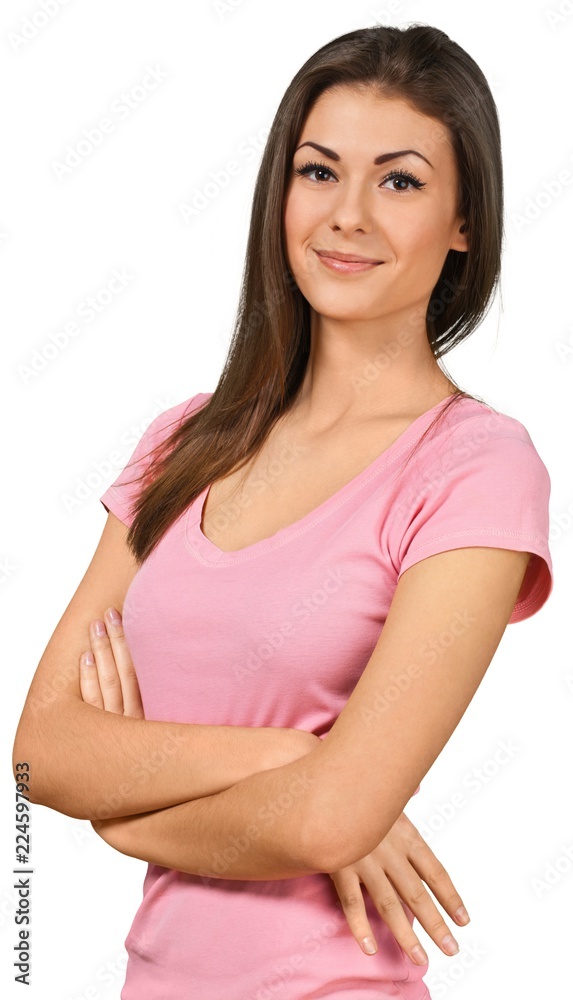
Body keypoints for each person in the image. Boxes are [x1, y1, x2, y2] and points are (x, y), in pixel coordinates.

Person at [13, 22, 553, 1000]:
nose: (348, 215)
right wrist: (284, 755)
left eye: (399, 181)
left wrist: (126, 813)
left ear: (465, 220)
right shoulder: (183, 442)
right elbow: (42, 751)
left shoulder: (476, 467)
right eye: (318, 172)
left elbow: (332, 820)